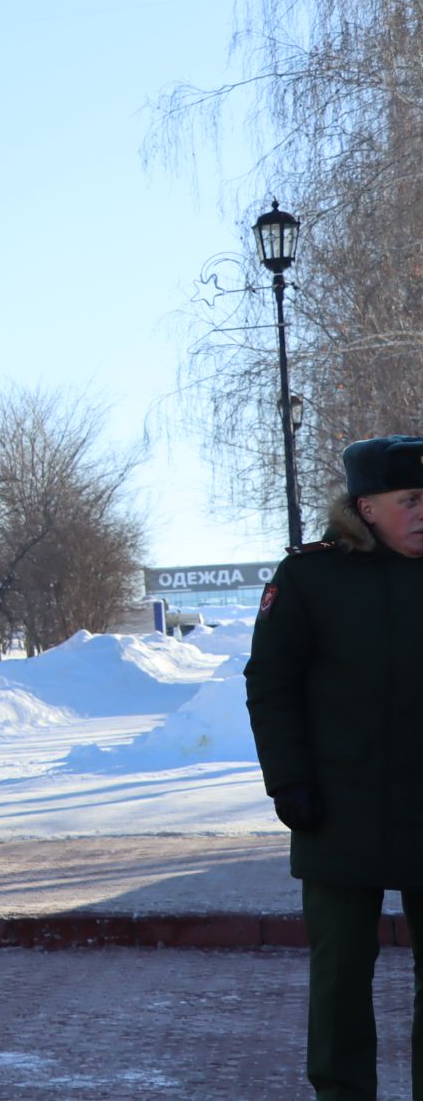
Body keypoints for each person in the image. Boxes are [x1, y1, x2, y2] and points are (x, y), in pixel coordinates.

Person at [246, 435, 423, 1101]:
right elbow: (271, 685)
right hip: (340, 809)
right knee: (342, 976)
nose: (422, 512)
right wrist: (288, 781)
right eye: (409, 499)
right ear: (365, 506)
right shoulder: (309, 577)